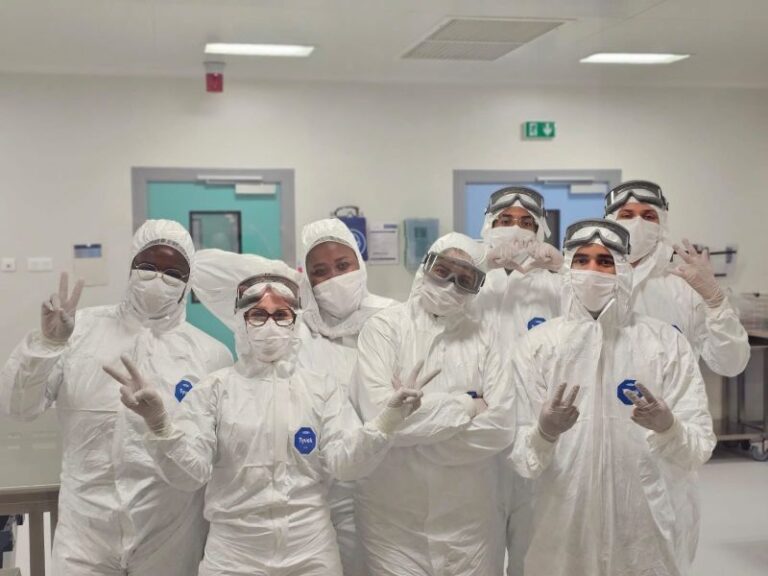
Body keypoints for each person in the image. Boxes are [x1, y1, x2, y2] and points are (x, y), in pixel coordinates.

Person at [104, 254, 429, 576]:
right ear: (241, 321)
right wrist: (159, 424)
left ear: (295, 321)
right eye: (257, 315)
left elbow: (346, 464)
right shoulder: (215, 390)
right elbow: (191, 475)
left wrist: (387, 421)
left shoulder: (321, 389)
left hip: (309, 548)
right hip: (233, 553)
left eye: (281, 315)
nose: (270, 325)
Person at [0, 220, 233, 575]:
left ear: (187, 284)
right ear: (130, 267)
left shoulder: (211, 355)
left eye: (173, 272)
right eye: (148, 266)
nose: (158, 278)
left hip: (170, 529)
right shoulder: (80, 331)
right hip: (86, 527)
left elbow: (208, 460)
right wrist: (47, 346)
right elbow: (19, 408)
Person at [510, 218, 716, 576]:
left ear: (623, 270)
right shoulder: (538, 346)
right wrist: (545, 432)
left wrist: (669, 427)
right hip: (562, 523)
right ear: (568, 268)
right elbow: (522, 460)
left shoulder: (664, 342)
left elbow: (698, 449)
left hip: (644, 526)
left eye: (605, 261)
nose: (593, 271)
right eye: (582, 260)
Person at [351, 232, 516, 576]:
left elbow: (500, 427)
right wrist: (468, 406)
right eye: (443, 270)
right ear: (425, 268)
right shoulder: (383, 329)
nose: (451, 283)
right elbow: (378, 416)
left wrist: (409, 428)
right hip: (391, 520)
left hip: (470, 523)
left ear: (476, 287)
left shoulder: (487, 337)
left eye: (465, 278)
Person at [297, 217, 397, 576]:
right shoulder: (297, 329)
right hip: (318, 486)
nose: (334, 278)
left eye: (343, 266)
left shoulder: (392, 318)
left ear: (360, 263)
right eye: (319, 272)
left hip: (386, 479)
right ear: (305, 279)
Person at [475, 186, 563, 576]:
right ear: (487, 227)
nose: (516, 229)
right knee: (477, 550)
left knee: (535, 552)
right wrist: (478, 266)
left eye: (527, 222)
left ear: (542, 230)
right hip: (478, 436)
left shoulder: (557, 285)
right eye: (505, 220)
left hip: (540, 431)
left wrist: (567, 269)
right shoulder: (472, 280)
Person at [604, 180, 749, 376]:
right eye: (627, 215)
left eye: (648, 216)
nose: (638, 223)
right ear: (612, 223)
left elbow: (731, 365)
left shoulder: (685, 286)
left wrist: (715, 302)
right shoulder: (591, 279)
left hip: (672, 405)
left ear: (661, 225)